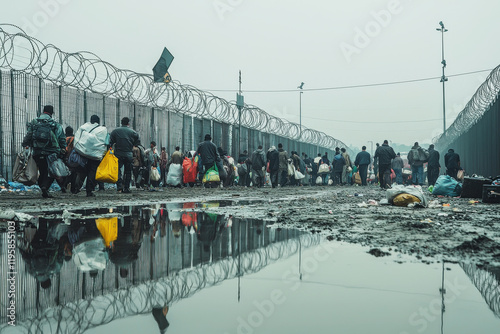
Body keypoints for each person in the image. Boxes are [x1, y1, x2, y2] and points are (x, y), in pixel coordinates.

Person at [22, 105, 66, 198]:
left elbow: (29, 134)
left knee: (42, 170)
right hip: (51, 152)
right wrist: (62, 148)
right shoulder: (55, 124)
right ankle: (44, 187)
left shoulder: (34, 122)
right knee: (51, 171)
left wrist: (25, 144)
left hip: (37, 151)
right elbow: (61, 138)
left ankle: (43, 186)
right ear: (52, 113)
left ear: (43, 111)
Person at [73, 115, 107, 197]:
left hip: (83, 153)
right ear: (98, 121)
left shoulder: (84, 127)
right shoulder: (102, 129)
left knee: (82, 171)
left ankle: (76, 188)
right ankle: (89, 190)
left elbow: (77, 137)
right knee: (92, 172)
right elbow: (105, 142)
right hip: (95, 156)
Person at [109, 117, 141, 193]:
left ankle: (119, 187)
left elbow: (110, 143)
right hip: (128, 155)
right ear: (128, 123)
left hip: (118, 154)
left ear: (121, 122)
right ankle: (127, 188)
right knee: (128, 171)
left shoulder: (115, 131)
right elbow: (137, 143)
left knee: (118, 171)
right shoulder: (133, 132)